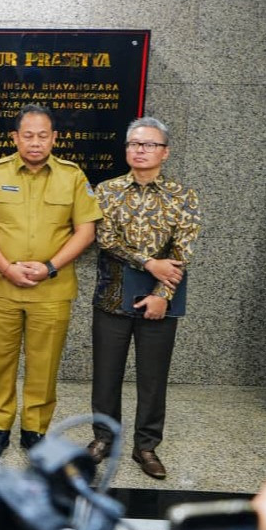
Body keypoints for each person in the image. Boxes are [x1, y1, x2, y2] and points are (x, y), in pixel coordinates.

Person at [0, 103, 102, 457]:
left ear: (55, 138)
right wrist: (6, 267)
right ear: (15, 137)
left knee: (44, 364)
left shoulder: (72, 177)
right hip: (0, 288)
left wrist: (49, 266)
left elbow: (86, 230)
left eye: (43, 136)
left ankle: (35, 431)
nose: (35, 142)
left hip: (51, 289)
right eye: (27, 135)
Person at [86, 117, 201, 479]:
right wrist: (149, 262)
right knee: (106, 374)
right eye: (134, 144)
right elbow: (106, 240)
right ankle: (104, 438)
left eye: (149, 144)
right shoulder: (106, 191)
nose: (140, 150)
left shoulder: (184, 196)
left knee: (153, 377)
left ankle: (146, 446)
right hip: (113, 294)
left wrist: (162, 293)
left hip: (160, 302)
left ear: (164, 152)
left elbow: (183, 251)